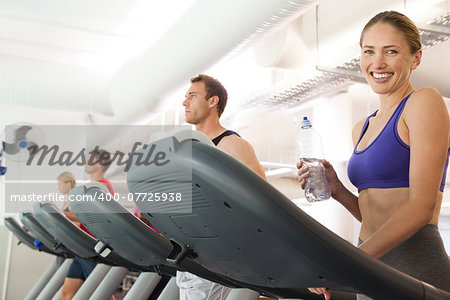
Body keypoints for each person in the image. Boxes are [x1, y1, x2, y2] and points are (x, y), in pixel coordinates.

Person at [297, 11, 450, 300]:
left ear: (416, 58)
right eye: (369, 51)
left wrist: (346, 265)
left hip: (415, 265)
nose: (377, 63)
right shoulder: (361, 128)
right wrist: (337, 190)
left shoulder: (423, 103)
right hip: (371, 264)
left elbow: (421, 208)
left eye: (391, 52)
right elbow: (373, 217)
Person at [178, 74, 267, 300]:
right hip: (192, 251)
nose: (184, 102)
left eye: (192, 96)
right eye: (185, 97)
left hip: (219, 255)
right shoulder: (190, 149)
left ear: (212, 101)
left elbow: (265, 201)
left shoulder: (231, 145)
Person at [60, 148, 115, 300]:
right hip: (82, 247)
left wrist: (62, 214)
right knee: (66, 295)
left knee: (103, 294)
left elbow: (94, 215)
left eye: (90, 159)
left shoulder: (102, 186)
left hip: (94, 247)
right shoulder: (89, 186)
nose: (85, 161)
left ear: (100, 163)